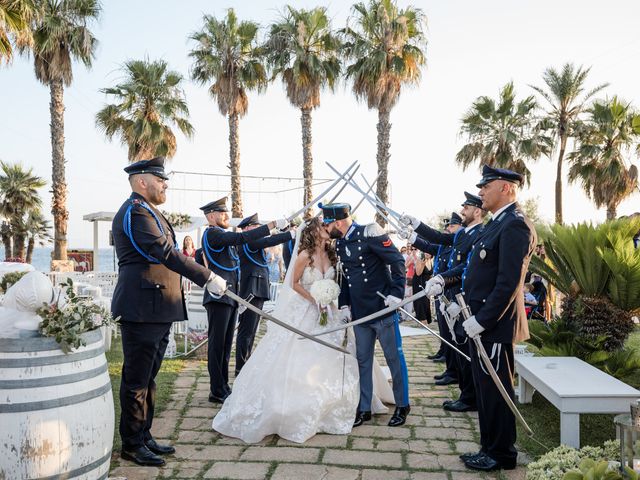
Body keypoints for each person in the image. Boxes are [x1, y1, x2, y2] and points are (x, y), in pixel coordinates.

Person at [212, 217, 393, 443]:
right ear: (314, 232)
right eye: (323, 226)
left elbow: (340, 282)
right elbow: (294, 283)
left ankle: (357, 401)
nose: (328, 229)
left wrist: (334, 302)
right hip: (306, 310)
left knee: (347, 353)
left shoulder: (333, 253)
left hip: (331, 312)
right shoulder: (304, 256)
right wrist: (314, 299)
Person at [111, 157, 227, 467]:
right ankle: (132, 445)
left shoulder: (149, 210)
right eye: (160, 179)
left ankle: (144, 435)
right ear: (142, 181)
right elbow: (164, 252)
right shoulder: (136, 212)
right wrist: (207, 276)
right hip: (142, 307)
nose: (165, 184)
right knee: (136, 380)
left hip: (158, 308)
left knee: (149, 378)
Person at [449, 165, 536, 471]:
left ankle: (501, 454)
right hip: (481, 323)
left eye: (487, 186)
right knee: (485, 388)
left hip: (495, 325)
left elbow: (508, 282)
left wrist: (483, 320)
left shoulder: (515, 225)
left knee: (497, 391)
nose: (481, 191)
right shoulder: (496, 224)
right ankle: (488, 447)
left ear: (506, 188)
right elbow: (476, 269)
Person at [322, 203, 411, 428]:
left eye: (328, 223)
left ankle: (402, 405)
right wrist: (344, 305)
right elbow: (347, 278)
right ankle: (364, 408)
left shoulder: (370, 233)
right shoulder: (340, 243)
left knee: (394, 359)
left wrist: (396, 293)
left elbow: (397, 261)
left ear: (338, 222)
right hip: (360, 314)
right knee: (363, 361)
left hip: (382, 309)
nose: (326, 227)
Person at [196, 197, 289, 404]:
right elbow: (241, 240)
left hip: (229, 295)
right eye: (222, 213)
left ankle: (223, 386)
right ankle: (216, 390)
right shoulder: (213, 234)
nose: (226, 216)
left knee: (226, 344)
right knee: (218, 345)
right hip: (218, 296)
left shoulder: (220, 236)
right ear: (211, 216)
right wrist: (272, 225)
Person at [401, 192, 488, 411]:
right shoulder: (463, 234)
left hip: (464, 299)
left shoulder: (480, 233)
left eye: (466, 208)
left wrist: (443, 278)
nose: (462, 211)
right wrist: (416, 227)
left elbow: (468, 268)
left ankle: (470, 397)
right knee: (459, 345)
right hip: (452, 297)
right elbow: (439, 239)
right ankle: (466, 393)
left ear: (477, 211)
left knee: (464, 349)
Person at [235, 213, 294, 375]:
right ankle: (241, 366)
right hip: (251, 290)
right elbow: (269, 240)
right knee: (246, 331)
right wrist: (289, 234)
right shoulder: (249, 240)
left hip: (258, 288)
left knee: (252, 330)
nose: (260, 230)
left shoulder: (254, 241)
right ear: (247, 229)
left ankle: (245, 362)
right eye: (256, 227)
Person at [411, 251, 432, 323]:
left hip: (426, 284)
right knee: (421, 301)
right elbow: (418, 273)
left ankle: (426, 319)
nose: (427, 253)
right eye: (426, 252)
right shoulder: (419, 260)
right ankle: (422, 319)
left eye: (429, 252)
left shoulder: (431, 261)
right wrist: (423, 264)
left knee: (426, 301)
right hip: (418, 283)